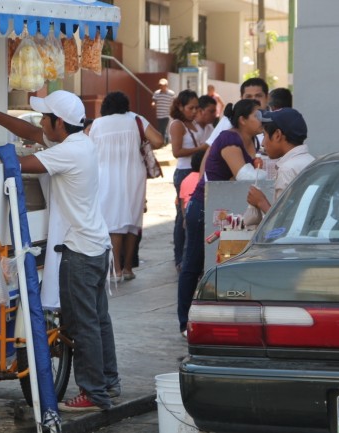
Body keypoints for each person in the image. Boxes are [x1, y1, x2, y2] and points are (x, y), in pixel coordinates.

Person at [0, 90, 120, 411]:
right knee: (99, 319)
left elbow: (19, 164)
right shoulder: (77, 142)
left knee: (83, 323)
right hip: (96, 245)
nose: (41, 122)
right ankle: (108, 382)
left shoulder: (69, 153)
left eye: (46, 117)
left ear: (59, 123)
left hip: (80, 251)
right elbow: (32, 133)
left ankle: (93, 393)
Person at [177, 100, 266, 337]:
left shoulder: (255, 141)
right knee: (193, 263)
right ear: (242, 120)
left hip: (225, 209)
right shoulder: (229, 138)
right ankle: (184, 321)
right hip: (204, 206)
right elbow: (244, 175)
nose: (263, 120)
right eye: (258, 115)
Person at [89, 91, 164, 282]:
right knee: (132, 222)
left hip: (106, 176)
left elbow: (87, 148)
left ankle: (116, 270)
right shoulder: (136, 119)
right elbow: (158, 141)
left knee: (113, 223)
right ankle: (129, 268)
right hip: (134, 175)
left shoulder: (97, 124)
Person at [247, 108, 314, 213]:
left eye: (264, 135)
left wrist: (261, 202)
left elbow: (283, 223)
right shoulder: (312, 161)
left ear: (277, 135)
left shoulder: (287, 169)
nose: (263, 143)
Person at [170, 90, 206, 272]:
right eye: (190, 108)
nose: (194, 111)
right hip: (184, 171)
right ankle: (179, 258)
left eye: (196, 108)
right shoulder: (177, 125)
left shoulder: (193, 124)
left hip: (195, 170)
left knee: (193, 214)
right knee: (182, 216)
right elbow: (176, 151)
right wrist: (200, 149)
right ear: (180, 107)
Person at [152, 78, 175, 142]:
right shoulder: (156, 93)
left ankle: (162, 141)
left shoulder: (171, 93)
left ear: (166, 85)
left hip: (166, 114)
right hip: (159, 114)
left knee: (162, 128)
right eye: (160, 85)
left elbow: (173, 103)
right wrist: (153, 104)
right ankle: (166, 140)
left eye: (162, 85)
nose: (161, 87)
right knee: (162, 128)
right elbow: (154, 101)